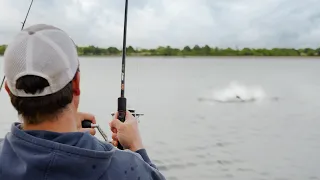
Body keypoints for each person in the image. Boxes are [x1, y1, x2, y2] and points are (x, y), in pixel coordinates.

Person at [0, 24, 166, 180]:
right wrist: (136, 147)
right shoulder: (128, 168)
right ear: (76, 84)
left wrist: (61, 139)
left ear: (8, 90)